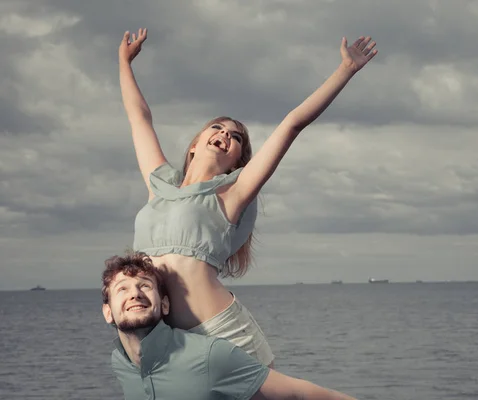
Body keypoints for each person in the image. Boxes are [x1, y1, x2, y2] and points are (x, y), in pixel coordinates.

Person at [119, 28, 378, 366]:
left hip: (222, 336)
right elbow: (139, 117)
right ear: (195, 143)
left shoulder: (233, 193)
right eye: (217, 128)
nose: (225, 135)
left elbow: (292, 124)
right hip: (163, 340)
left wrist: (346, 70)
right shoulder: (159, 185)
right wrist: (124, 62)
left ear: (237, 161)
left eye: (235, 137)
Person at [102, 252, 359, 400]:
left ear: (165, 305)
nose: (134, 294)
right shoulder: (120, 362)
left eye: (145, 285)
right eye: (122, 289)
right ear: (108, 312)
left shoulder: (210, 355)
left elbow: (301, 394)